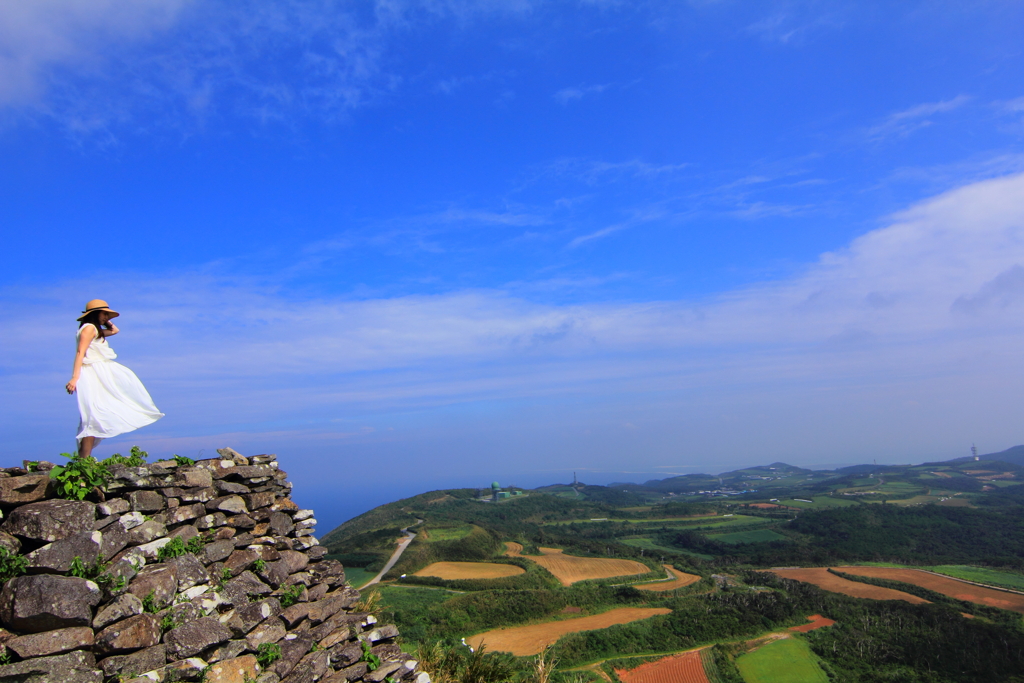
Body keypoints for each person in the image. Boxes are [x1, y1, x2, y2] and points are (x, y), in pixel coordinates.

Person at [65, 299, 164, 458]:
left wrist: (105, 320)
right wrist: (74, 378)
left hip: (97, 372)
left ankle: (84, 459)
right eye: (104, 314)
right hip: (92, 373)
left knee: (93, 416)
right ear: (95, 314)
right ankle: (84, 460)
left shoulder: (93, 329)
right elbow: (80, 353)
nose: (106, 318)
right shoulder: (89, 328)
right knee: (92, 416)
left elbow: (115, 331)